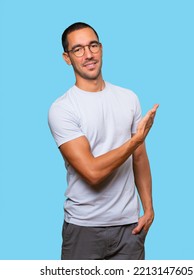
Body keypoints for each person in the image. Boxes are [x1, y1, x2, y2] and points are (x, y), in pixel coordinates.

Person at [48, 22, 159, 260]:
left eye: (92, 45)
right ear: (67, 58)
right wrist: (136, 140)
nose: (88, 54)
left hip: (129, 229)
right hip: (84, 229)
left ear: (101, 48)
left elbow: (139, 157)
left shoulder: (128, 98)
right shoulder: (63, 109)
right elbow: (92, 172)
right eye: (78, 49)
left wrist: (148, 209)